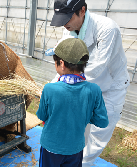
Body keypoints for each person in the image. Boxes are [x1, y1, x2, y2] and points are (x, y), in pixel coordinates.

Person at [50, 0, 130, 166]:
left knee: (99, 132)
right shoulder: (69, 30)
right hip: (84, 86)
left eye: (67, 18)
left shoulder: (107, 28)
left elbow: (96, 68)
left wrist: (63, 88)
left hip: (110, 87)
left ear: (82, 10)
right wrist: (54, 84)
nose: (64, 24)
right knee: (80, 126)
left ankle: (84, 163)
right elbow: (66, 62)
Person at [37, 36, 109, 167]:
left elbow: (41, 116)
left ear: (62, 64)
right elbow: (102, 122)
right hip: (75, 149)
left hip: (51, 147)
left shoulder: (50, 89)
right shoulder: (94, 90)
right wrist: (84, 114)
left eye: (55, 62)